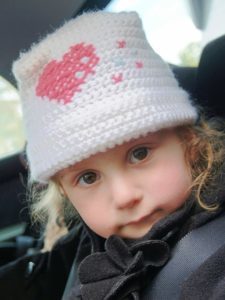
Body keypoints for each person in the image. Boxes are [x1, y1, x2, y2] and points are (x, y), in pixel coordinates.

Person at [0, 10, 225, 300]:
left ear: (189, 139)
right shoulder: (87, 246)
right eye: (88, 177)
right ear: (66, 194)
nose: (123, 196)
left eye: (140, 153)